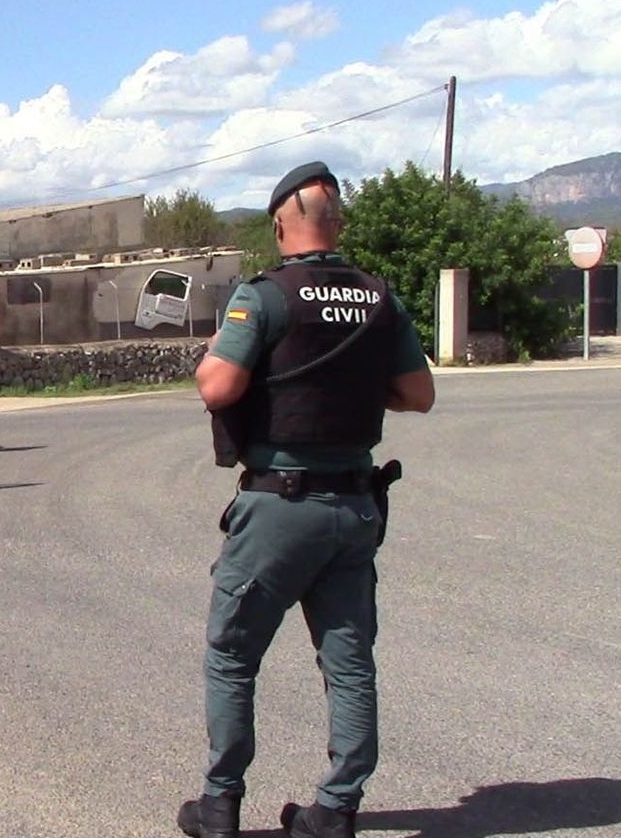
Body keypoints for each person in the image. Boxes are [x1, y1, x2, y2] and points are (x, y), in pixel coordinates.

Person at [176, 162, 436, 838]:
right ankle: (336, 810)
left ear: (280, 223)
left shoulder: (263, 297)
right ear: (338, 221)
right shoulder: (381, 300)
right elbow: (418, 394)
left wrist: (225, 361)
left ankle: (220, 805)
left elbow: (218, 387)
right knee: (349, 665)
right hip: (355, 509)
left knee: (233, 656)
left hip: (280, 508)